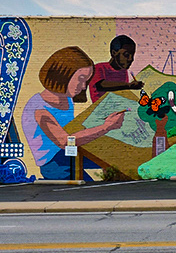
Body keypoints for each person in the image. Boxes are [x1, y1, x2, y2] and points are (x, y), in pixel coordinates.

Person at [21, 46, 126, 180]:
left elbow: (72, 130)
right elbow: (65, 141)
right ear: (63, 74)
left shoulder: (66, 98)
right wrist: (106, 127)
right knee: (88, 187)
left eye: (86, 81)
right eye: (81, 79)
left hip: (70, 153)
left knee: (112, 159)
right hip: (53, 163)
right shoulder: (39, 110)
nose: (83, 86)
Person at [88, 35, 145, 102]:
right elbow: (101, 85)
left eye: (132, 55)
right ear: (114, 53)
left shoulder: (123, 71)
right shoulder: (99, 68)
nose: (131, 59)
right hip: (101, 109)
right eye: (126, 55)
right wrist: (129, 85)